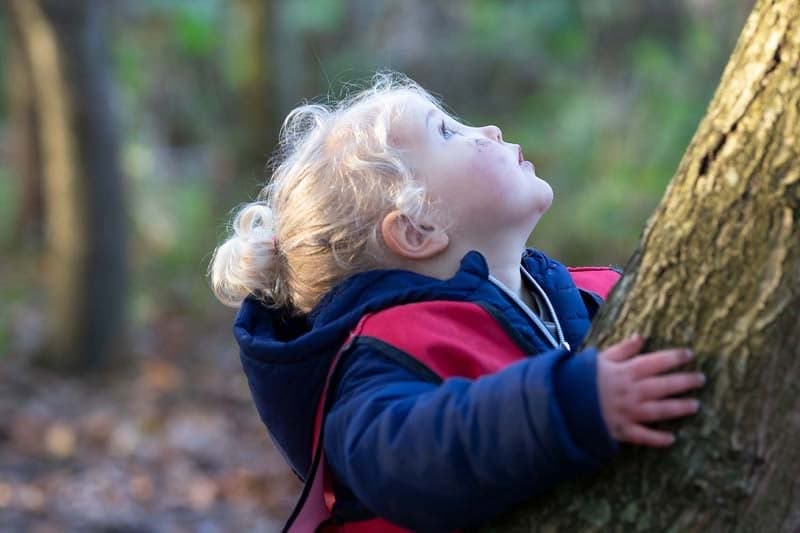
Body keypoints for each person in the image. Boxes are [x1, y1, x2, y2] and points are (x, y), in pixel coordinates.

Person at [208, 72, 705, 531]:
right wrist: (569, 404)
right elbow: (405, 459)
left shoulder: (587, 292)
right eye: (447, 132)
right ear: (416, 229)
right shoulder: (380, 356)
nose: (488, 129)